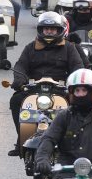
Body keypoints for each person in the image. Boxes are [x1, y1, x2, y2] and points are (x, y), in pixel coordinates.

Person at [7, 12, 83, 156]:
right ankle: (21, 138)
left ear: (59, 30)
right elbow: (20, 65)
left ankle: (74, 141)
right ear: (40, 30)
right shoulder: (30, 47)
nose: (49, 32)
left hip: (61, 89)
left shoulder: (69, 48)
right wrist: (19, 80)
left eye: (52, 29)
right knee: (16, 99)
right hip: (34, 88)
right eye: (46, 29)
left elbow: (77, 67)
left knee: (77, 103)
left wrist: (74, 84)